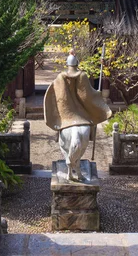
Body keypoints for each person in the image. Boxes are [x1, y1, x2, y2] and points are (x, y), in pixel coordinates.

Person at [44, 49, 111, 180]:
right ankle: (79, 164)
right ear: (77, 63)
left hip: (67, 115)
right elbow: (87, 96)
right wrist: (96, 94)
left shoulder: (60, 77)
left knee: (62, 129)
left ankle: (69, 166)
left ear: (66, 63)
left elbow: (57, 96)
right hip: (80, 115)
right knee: (88, 124)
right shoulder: (82, 75)